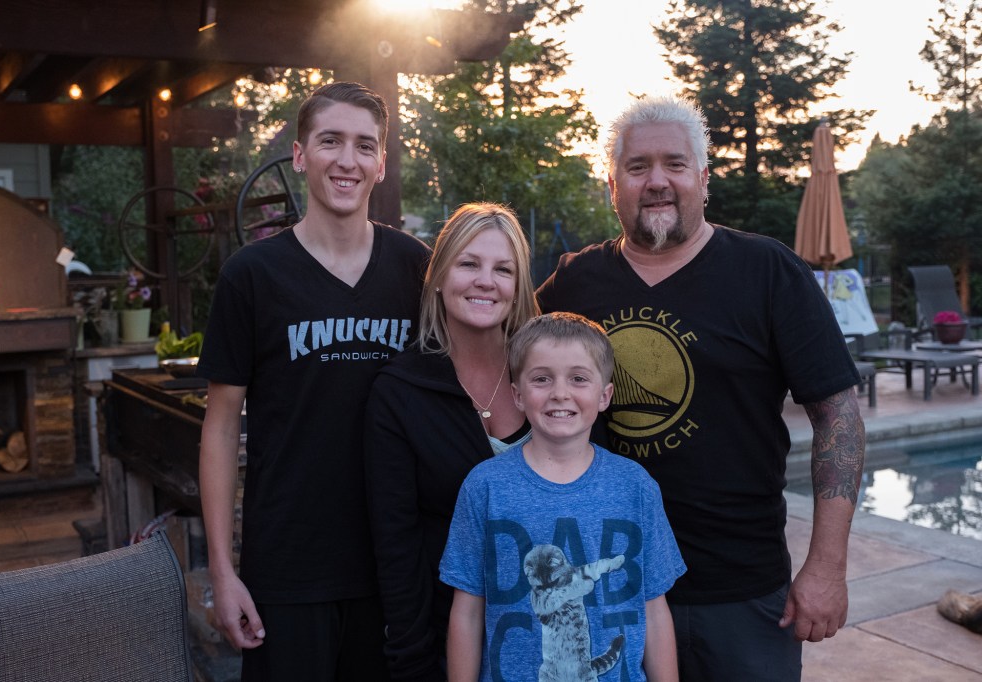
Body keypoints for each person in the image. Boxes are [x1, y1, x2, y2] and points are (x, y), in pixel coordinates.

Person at [535, 94, 866, 681]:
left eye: (675, 164)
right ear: (612, 183)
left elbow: (837, 415)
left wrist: (826, 565)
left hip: (740, 589)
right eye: (637, 167)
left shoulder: (768, 272)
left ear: (704, 180)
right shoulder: (572, 283)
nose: (657, 181)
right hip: (611, 583)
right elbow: (506, 373)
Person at [197, 81, 430, 681]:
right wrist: (224, 573)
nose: (346, 160)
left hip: (396, 565)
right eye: (330, 142)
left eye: (364, 146)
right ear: (300, 155)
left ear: (381, 163)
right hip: (289, 565)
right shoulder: (252, 276)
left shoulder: (416, 269)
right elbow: (220, 429)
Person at [440, 312, 686, 682]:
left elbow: (653, 609)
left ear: (605, 396)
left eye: (578, 379)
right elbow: (467, 611)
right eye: (542, 378)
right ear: (517, 395)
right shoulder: (485, 487)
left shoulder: (635, 487)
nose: (560, 393)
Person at [364, 202, 539, 680]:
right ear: (439, 277)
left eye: (503, 269)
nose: (486, 281)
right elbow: (396, 545)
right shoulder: (400, 390)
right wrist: (411, 658)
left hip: (551, 635)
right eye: (468, 264)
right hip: (447, 641)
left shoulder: (548, 376)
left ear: (518, 286)